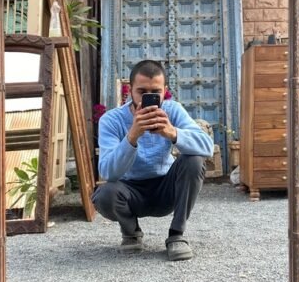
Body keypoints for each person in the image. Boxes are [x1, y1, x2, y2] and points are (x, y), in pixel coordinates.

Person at [92, 60, 214, 261]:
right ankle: (131, 232)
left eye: (155, 92)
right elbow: (107, 172)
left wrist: (172, 133)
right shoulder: (111, 120)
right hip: (129, 191)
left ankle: (177, 235)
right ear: (129, 90)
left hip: (166, 189)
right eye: (141, 91)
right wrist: (132, 137)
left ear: (164, 91)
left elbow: (206, 147)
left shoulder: (172, 110)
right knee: (104, 194)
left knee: (194, 160)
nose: (148, 98)